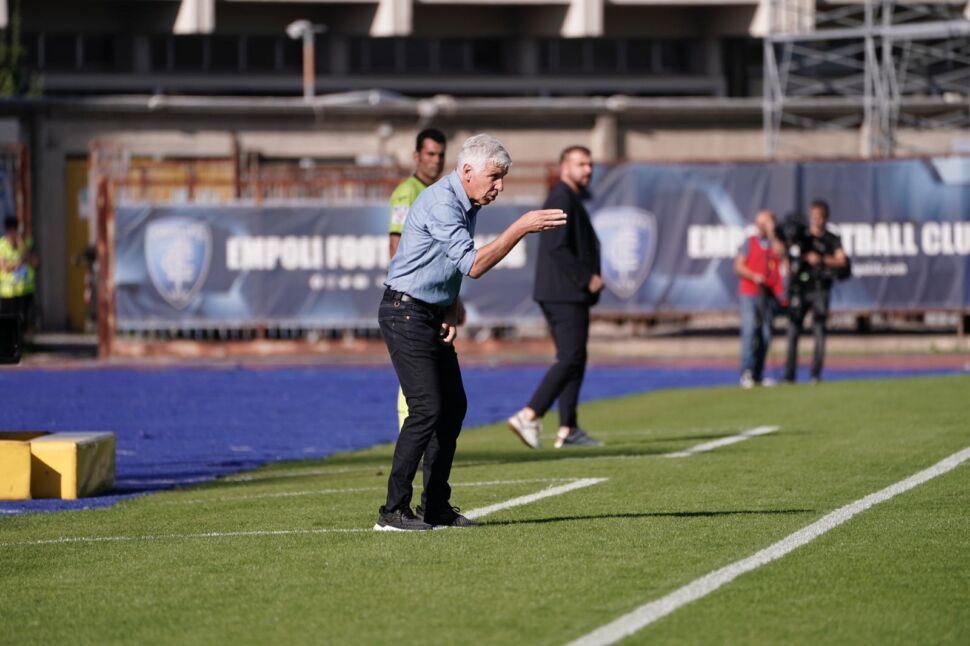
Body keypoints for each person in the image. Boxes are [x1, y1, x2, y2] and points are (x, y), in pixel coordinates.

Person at [375, 134, 567, 531]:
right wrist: (522, 226)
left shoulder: (466, 200)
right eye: (495, 177)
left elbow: (443, 265)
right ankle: (393, 511)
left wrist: (446, 308)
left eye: (503, 178)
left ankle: (436, 508)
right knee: (427, 407)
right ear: (467, 172)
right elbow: (473, 264)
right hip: (404, 312)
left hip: (427, 312)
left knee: (453, 406)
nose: (499, 186)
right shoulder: (444, 202)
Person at [507, 146, 603, 449]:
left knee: (576, 358)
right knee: (570, 357)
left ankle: (568, 427)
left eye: (589, 164)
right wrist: (585, 278)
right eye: (580, 164)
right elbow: (556, 246)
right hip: (564, 293)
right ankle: (530, 414)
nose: (587, 169)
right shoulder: (561, 197)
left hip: (566, 293)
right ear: (564, 167)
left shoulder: (570, 197)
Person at [388, 128, 448, 430]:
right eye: (430, 154)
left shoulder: (439, 193)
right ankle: (409, 431)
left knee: (430, 366)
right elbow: (395, 242)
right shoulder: (407, 192)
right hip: (414, 296)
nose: (435, 161)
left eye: (440, 155)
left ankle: (425, 433)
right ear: (416, 156)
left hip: (433, 295)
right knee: (414, 369)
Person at [783, 200, 848, 384]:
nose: (816, 221)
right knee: (793, 330)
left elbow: (841, 260)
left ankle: (815, 374)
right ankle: (789, 375)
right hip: (800, 288)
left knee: (819, 331)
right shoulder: (801, 236)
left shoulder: (831, 238)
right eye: (813, 217)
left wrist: (820, 259)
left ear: (825, 218)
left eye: (819, 217)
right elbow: (786, 256)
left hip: (820, 288)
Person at [734, 209, 785, 389]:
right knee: (750, 332)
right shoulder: (749, 242)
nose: (761, 226)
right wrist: (754, 275)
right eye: (760, 223)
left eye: (765, 222)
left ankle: (758, 373)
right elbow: (738, 266)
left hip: (769, 295)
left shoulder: (774, 243)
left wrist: (772, 234)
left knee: (766, 333)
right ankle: (746, 372)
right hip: (750, 293)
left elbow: (781, 255)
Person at [0, 216, 36, 329]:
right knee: (9, 324)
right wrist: (17, 263)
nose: (13, 234)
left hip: (24, 290)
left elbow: (33, 261)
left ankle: (23, 344)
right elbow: (3, 266)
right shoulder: (2, 245)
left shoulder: (24, 244)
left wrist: (21, 244)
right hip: (8, 292)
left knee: (23, 323)